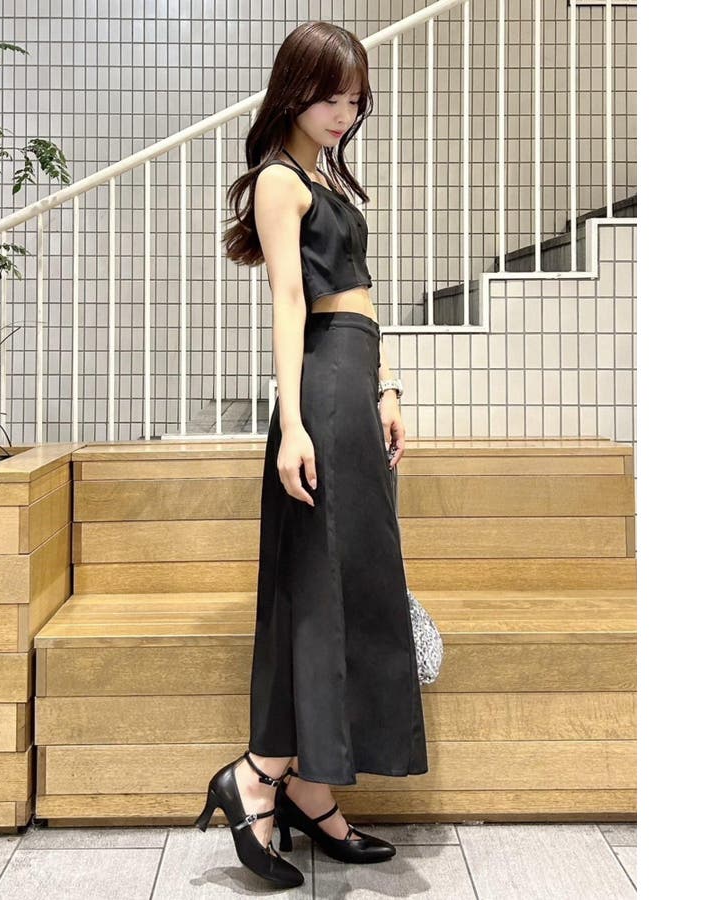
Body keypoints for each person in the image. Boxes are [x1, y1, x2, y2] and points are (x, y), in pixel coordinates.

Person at [193, 21, 428, 888]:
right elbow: (290, 302)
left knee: (351, 583)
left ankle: (302, 788)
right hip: (320, 392)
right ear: (294, 91)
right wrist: (292, 423)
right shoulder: (279, 181)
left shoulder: (325, 177)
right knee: (321, 585)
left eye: (355, 100)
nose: (344, 113)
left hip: (354, 384)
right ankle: (264, 776)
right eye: (331, 97)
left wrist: (388, 386)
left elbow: (362, 294)